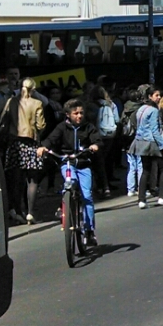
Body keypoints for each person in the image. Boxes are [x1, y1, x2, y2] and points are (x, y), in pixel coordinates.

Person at [43, 99, 101, 249]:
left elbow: (97, 140)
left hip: (83, 163)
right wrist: (43, 147)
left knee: (87, 196)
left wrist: (94, 145)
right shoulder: (62, 127)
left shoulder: (88, 127)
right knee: (70, 181)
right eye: (75, 113)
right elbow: (51, 139)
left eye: (81, 113)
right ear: (68, 115)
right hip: (67, 163)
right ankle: (64, 204)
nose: (79, 116)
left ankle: (89, 230)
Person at [0, 80, 49, 224]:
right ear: (33, 89)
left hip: (15, 143)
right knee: (32, 179)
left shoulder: (11, 102)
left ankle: (17, 211)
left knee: (16, 179)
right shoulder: (37, 103)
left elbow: (2, 121)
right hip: (31, 142)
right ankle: (30, 213)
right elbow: (41, 125)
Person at [132, 86, 163, 208]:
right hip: (151, 142)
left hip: (140, 141)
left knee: (146, 170)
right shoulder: (154, 110)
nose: (159, 97)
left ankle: (141, 199)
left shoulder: (141, 109)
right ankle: (162, 196)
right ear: (150, 96)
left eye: (159, 95)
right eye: (156, 95)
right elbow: (155, 130)